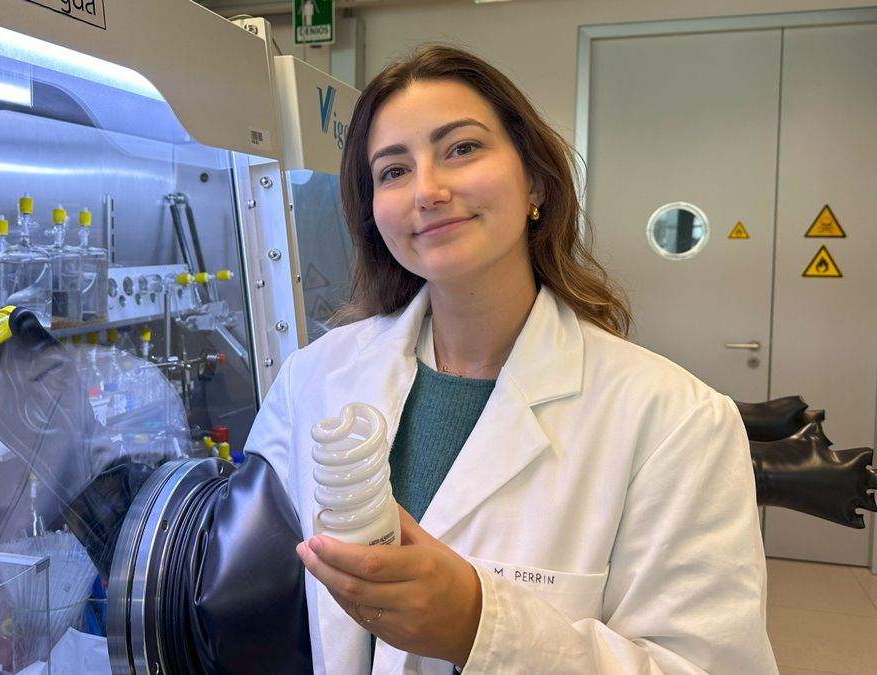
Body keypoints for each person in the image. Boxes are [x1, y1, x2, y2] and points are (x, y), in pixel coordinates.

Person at [245, 44, 778, 673]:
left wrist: (479, 626)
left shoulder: (674, 420)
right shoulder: (314, 377)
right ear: (373, 216)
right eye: (393, 171)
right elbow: (267, 582)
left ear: (536, 182)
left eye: (462, 149)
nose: (428, 190)